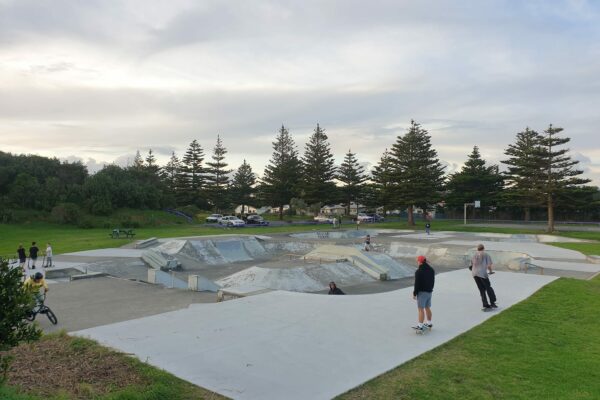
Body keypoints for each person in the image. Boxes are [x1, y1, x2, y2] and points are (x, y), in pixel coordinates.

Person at [470, 244, 497, 311]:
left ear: (477, 249)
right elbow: (489, 265)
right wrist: (490, 271)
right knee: (488, 287)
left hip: (474, 274)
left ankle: (485, 304)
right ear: (483, 248)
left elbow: (471, 266)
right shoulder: (486, 254)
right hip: (482, 273)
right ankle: (492, 302)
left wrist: (474, 271)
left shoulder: (474, 255)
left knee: (481, 289)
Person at [412, 255, 435, 332]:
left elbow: (417, 284)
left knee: (420, 309)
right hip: (429, 292)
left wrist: (415, 293)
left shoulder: (419, 271)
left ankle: (420, 326)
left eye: (417, 261)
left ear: (420, 262)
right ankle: (429, 323)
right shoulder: (431, 270)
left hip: (422, 293)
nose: (417, 262)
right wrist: (430, 289)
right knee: (427, 308)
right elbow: (433, 281)